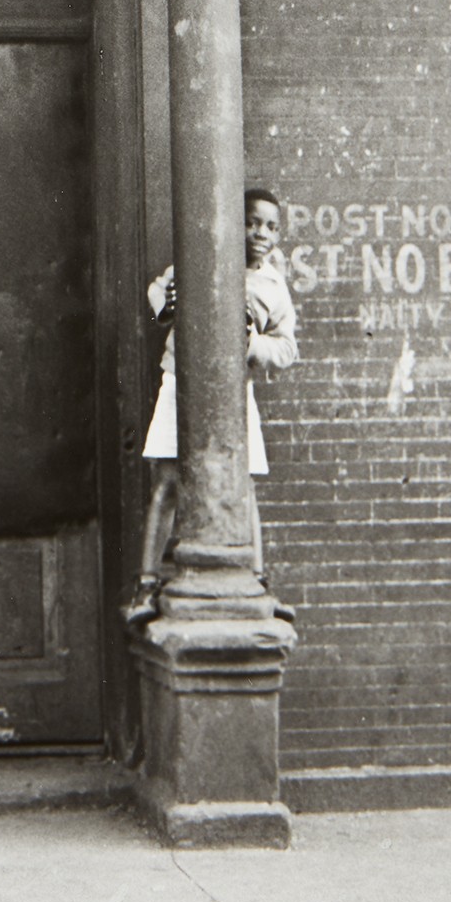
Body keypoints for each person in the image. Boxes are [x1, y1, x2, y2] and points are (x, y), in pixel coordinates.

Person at [125, 187, 298, 623]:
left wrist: (253, 342)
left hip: (234, 393)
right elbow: (157, 290)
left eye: (271, 227)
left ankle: (257, 581)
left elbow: (287, 349)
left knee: (244, 488)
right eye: (252, 222)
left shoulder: (274, 287)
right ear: (234, 222)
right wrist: (167, 305)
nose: (261, 233)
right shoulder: (198, 258)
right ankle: (146, 586)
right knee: (167, 483)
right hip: (179, 381)